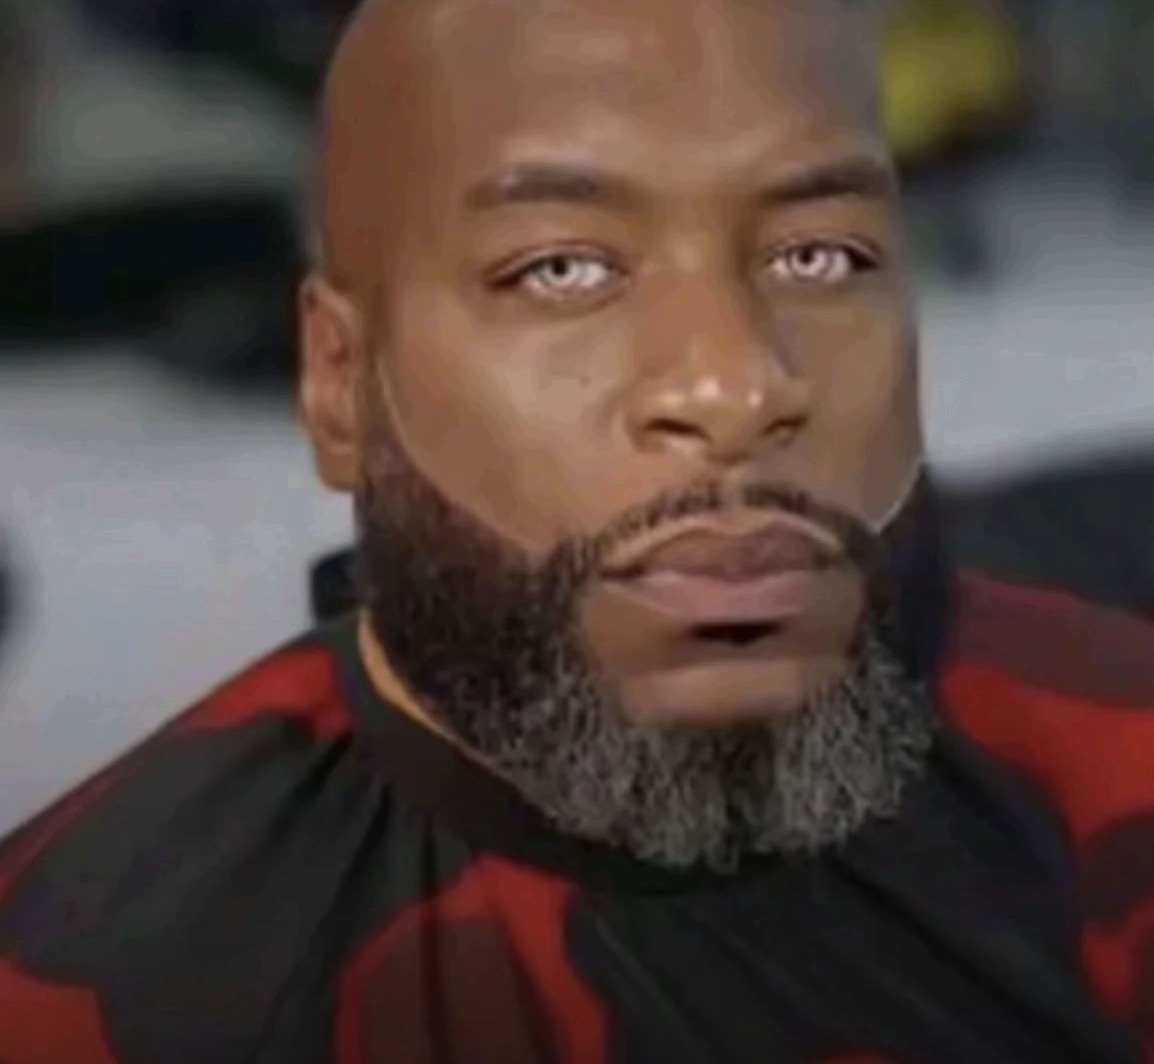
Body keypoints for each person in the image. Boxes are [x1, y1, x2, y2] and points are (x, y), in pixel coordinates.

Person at [0, 0, 1151, 1060]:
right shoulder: (98, 992)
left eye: (818, 256)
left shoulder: (1115, 776)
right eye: (560, 268)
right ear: (342, 384)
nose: (733, 384)